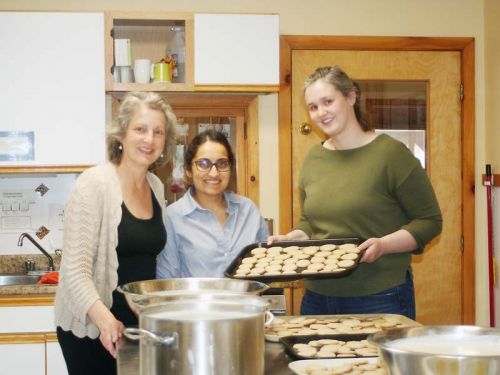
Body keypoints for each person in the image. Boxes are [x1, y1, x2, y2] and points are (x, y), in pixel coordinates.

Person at [268, 66, 442, 319]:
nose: (321, 113)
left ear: (350, 97)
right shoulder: (314, 158)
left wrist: (383, 245)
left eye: (328, 101)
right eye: (313, 107)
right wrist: (293, 239)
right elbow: (311, 221)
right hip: (318, 297)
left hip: (379, 296)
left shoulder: (391, 155)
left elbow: (430, 222)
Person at [54, 91, 177, 375]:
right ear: (121, 135)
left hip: (135, 327)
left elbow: (146, 263)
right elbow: (74, 272)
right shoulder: (94, 184)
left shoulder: (156, 187)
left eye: (158, 132)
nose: (149, 139)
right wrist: (106, 321)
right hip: (91, 327)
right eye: (140, 129)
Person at [156, 129, 268, 278]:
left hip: (247, 301)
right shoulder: (173, 217)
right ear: (189, 170)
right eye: (203, 164)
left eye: (222, 163)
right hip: (194, 301)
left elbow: (265, 268)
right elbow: (167, 281)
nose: (214, 173)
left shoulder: (248, 210)